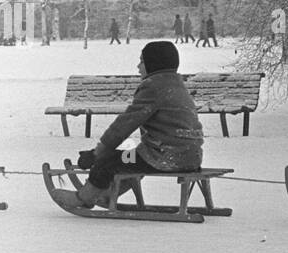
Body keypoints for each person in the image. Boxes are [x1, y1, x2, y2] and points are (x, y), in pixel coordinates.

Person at [53, 41, 204, 208]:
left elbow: (126, 123)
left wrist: (99, 152)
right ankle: (108, 194)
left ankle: (84, 198)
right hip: (191, 157)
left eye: (142, 61)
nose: (138, 66)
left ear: (153, 64)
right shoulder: (176, 86)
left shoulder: (154, 87)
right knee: (128, 158)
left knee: (110, 160)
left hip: (163, 157)